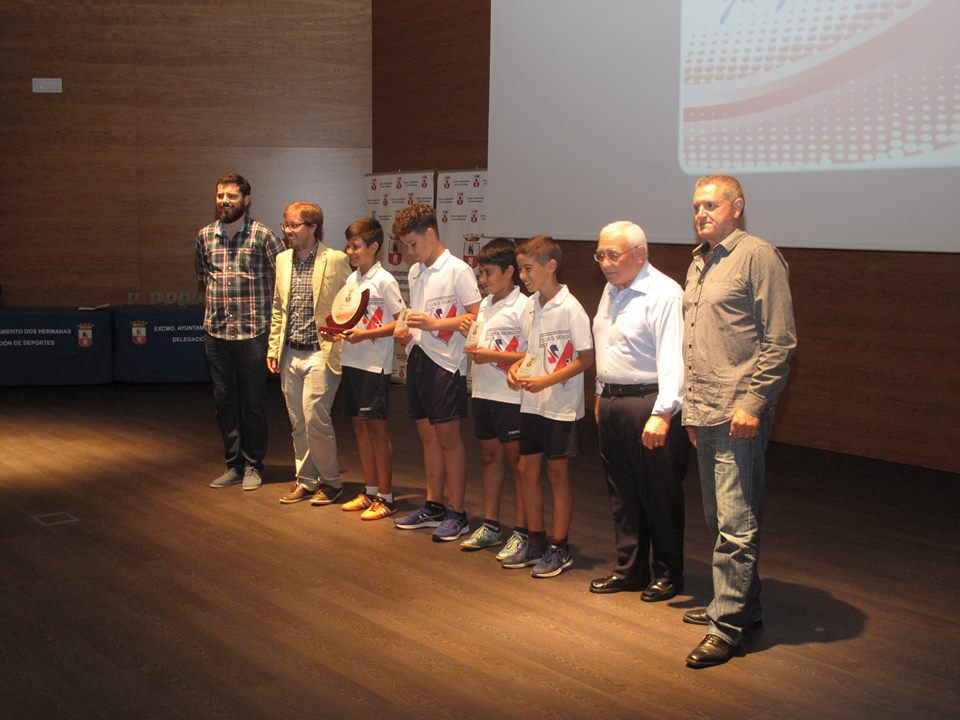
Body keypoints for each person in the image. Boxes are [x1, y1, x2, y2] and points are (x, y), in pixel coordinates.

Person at [682, 175, 797, 668]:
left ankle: (726, 628)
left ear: (737, 207)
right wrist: (690, 410)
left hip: (737, 412)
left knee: (736, 524)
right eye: (696, 206)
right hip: (704, 410)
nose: (701, 213)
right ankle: (742, 606)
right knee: (719, 521)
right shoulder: (699, 261)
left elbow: (779, 341)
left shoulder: (758, 256)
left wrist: (753, 403)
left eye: (711, 205)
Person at [590, 221, 690, 600]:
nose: (605, 262)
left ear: (640, 254)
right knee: (623, 492)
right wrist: (600, 393)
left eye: (612, 255)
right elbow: (608, 346)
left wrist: (663, 413)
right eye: (600, 255)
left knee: (659, 493)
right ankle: (630, 569)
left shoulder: (664, 293)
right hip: (613, 401)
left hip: (651, 403)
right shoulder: (610, 290)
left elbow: (673, 358)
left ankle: (668, 573)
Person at [504, 236, 594, 578]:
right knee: (526, 469)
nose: (523, 276)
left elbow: (586, 358)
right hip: (532, 405)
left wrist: (547, 380)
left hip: (560, 406)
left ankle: (560, 546)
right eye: (521, 269)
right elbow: (531, 353)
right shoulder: (530, 306)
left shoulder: (571, 308)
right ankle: (536, 540)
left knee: (557, 475)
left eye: (528, 269)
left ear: (551, 266)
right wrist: (516, 369)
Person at [391, 204, 481, 541]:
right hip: (418, 356)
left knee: (448, 439)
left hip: (446, 363)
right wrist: (408, 331)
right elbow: (416, 316)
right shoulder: (416, 271)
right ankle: (434, 505)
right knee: (427, 436)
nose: (410, 253)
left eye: (413, 244)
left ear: (430, 233)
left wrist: (434, 324)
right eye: (405, 246)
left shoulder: (458, 270)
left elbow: (477, 318)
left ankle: (458, 513)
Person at [197, 172, 284, 491]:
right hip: (216, 334)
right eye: (221, 195)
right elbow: (204, 276)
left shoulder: (264, 236)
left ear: (246, 200)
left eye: (232, 196)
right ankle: (233, 465)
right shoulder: (205, 235)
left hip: (253, 334)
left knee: (253, 404)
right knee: (224, 403)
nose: (225, 201)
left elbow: (282, 280)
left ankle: (253, 465)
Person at [266, 201, 351, 506]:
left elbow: (351, 301)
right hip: (290, 351)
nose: (288, 231)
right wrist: (273, 346)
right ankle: (305, 480)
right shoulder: (282, 260)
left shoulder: (336, 259)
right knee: (298, 421)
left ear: (313, 227)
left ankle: (331, 481)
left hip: (321, 352)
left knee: (316, 417)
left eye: (293, 225)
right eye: (285, 225)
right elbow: (279, 307)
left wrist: (343, 332)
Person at [457, 238, 529, 555]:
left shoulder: (524, 306)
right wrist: (468, 332)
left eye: (488, 273)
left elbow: (533, 355)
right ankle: (491, 525)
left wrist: (493, 357)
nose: (483, 280)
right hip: (483, 393)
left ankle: (524, 531)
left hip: (512, 398)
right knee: (489, 458)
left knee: (519, 466)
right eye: (480, 273)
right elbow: (479, 346)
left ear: (509, 271)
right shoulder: (485, 305)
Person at [335, 217, 406, 520]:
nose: (350, 252)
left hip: (374, 365)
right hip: (351, 360)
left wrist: (366, 335)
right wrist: (338, 331)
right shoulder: (352, 280)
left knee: (376, 429)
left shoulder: (384, 280)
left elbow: (402, 322)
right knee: (359, 428)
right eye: (348, 246)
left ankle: (386, 498)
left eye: (355, 246)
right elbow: (347, 317)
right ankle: (370, 490)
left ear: (374, 247)